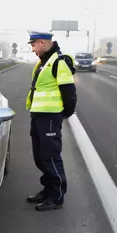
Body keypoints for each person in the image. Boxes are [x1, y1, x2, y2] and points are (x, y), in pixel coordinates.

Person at [24, 30, 77, 211]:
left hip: (50, 117)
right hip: (38, 115)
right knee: (39, 156)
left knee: (50, 156)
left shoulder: (59, 61)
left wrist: (66, 113)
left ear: (43, 43)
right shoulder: (43, 63)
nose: (32, 49)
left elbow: (69, 91)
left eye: (33, 45)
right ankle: (47, 190)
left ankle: (56, 197)